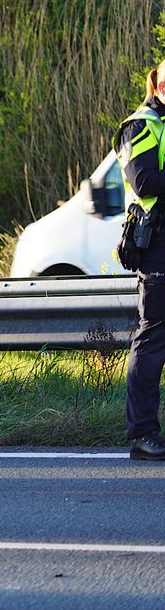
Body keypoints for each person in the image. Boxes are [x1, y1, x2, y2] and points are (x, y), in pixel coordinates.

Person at [115, 58, 165, 460]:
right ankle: (143, 435)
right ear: (161, 87)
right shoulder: (141, 125)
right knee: (153, 341)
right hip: (158, 244)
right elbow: (143, 180)